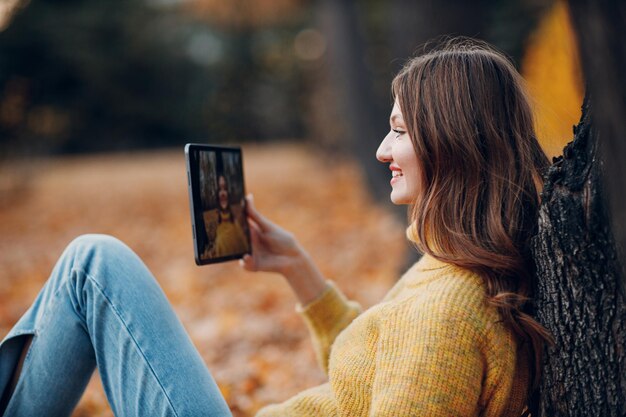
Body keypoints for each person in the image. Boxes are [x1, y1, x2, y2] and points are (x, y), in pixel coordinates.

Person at [0, 39, 552, 416]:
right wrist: (298, 270)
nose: (383, 150)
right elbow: (371, 379)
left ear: (452, 145)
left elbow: (421, 357)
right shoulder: (452, 273)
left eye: (400, 131)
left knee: (92, 267)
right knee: (90, 264)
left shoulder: (446, 314)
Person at [209, 175, 249, 259]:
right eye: (220, 189)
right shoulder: (218, 222)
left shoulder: (235, 214)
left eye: (225, 189)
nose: (223, 193)